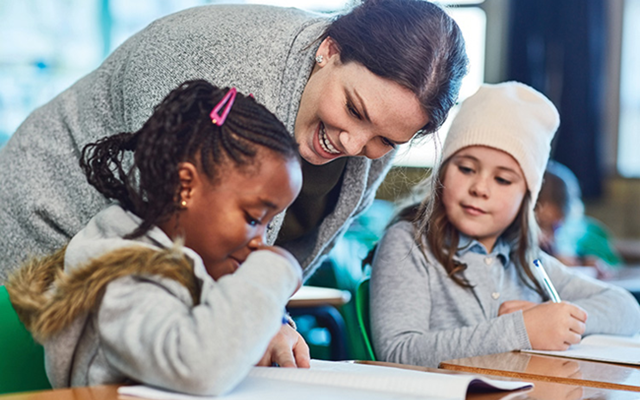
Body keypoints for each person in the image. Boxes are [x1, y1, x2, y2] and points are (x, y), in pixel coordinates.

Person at [0, 0, 468, 284]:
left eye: (385, 139)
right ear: (329, 50)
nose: (353, 143)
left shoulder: (381, 121)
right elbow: (170, 233)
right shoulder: (225, 66)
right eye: (354, 111)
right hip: (41, 236)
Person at [5, 80, 305, 395]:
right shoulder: (125, 276)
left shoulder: (197, 269)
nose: (261, 242)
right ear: (185, 186)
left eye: (269, 226)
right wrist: (274, 271)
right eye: (254, 218)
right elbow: (197, 366)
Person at [370, 82, 640, 368]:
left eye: (502, 179)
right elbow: (398, 352)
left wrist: (554, 318)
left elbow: (627, 309)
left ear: (527, 197)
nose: (480, 188)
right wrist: (523, 330)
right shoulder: (408, 243)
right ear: (443, 170)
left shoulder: (524, 259)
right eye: (466, 168)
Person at [536, 160, 622, 278]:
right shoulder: (518, 239)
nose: (548, 236)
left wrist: (584, 262)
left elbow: (614, 265)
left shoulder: (582, 232)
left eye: (555, 226)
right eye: (540, 224)